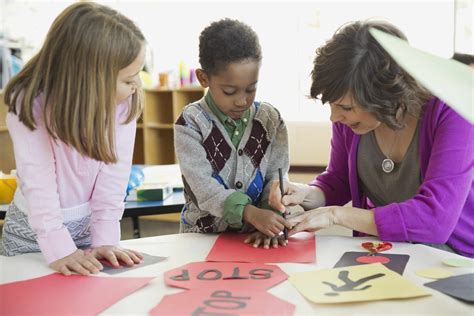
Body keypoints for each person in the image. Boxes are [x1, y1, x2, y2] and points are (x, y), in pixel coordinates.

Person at [269, 20, 473, 258]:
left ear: (383, 95)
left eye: (345, 106)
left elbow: (435, 221)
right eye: (332, 105)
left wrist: (337, 215)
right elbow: (339, 180)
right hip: (389, 251)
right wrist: (306, 194)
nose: (335, 117)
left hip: (455, 259)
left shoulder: (453, 111)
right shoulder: (351, 122)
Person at [1, 2, 146, 274]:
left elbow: (114, 177)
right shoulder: (29, 104)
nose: (137, 85)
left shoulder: (124, 102)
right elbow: (38, 183)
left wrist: (106, 239)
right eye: (128, 79)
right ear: (90, 79)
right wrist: (58, 248)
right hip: (33, 236)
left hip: (88, 233)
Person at [174, 18, 291, 249]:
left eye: (251, 89)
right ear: (203, 78)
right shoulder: (190, 123)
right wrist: (249, 212)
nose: (242, 101)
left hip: (255, 237)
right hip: (201, 239)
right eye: (229, 91)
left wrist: (269, 219)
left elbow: (276, 177)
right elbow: (204, 188)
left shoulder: (271, 120)